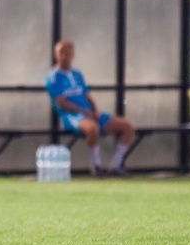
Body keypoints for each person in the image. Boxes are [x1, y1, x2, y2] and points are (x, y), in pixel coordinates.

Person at [44, 40, 135, 176]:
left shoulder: (77, 74)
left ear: (73, 54)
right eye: (60, 52)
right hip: (72, 116)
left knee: (127, 127)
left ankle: (115, 166)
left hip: (89, 113)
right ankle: (96, 167)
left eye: (67, 52)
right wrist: (84, 111)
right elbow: (61, 102)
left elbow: (86, 94)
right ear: (55, 55)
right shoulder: (52, 76)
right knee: (92, 128)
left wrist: (95, 110)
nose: (64, 56)